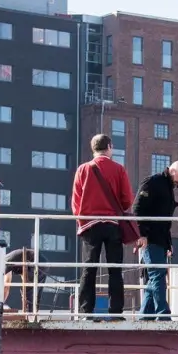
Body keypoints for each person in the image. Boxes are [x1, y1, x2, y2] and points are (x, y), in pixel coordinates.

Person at [70, 134, 134, 317]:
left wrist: (81, 219)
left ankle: (85, 310)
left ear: (93, 149)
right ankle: (115, 311)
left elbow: (75, 201)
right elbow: (127, 200)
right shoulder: (118, 169)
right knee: (115, 269)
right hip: (113, 224)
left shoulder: (83, 169)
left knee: (89, 268)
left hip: (90, 225)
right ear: (109, 147)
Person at [132, 160, 178, 319]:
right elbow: (137, 208)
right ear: (172, 172)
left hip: (160, 239)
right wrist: (142, 234)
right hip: (150, 238)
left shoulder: (167, 187)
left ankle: (145, 315)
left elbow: (165, 220)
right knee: (157, 275)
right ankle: (163, 314)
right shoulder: (153, 182)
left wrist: (168, 243)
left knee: (154, 277)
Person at [2, 247, 37, 312]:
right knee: (33, 290)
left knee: (28, 290)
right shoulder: (8, 260)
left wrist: (0, 304)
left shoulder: (4, 264)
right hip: (39, 262)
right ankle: (31, 312)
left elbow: (6, 286)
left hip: (36, 263)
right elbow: (22, 275)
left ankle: (30, 314)